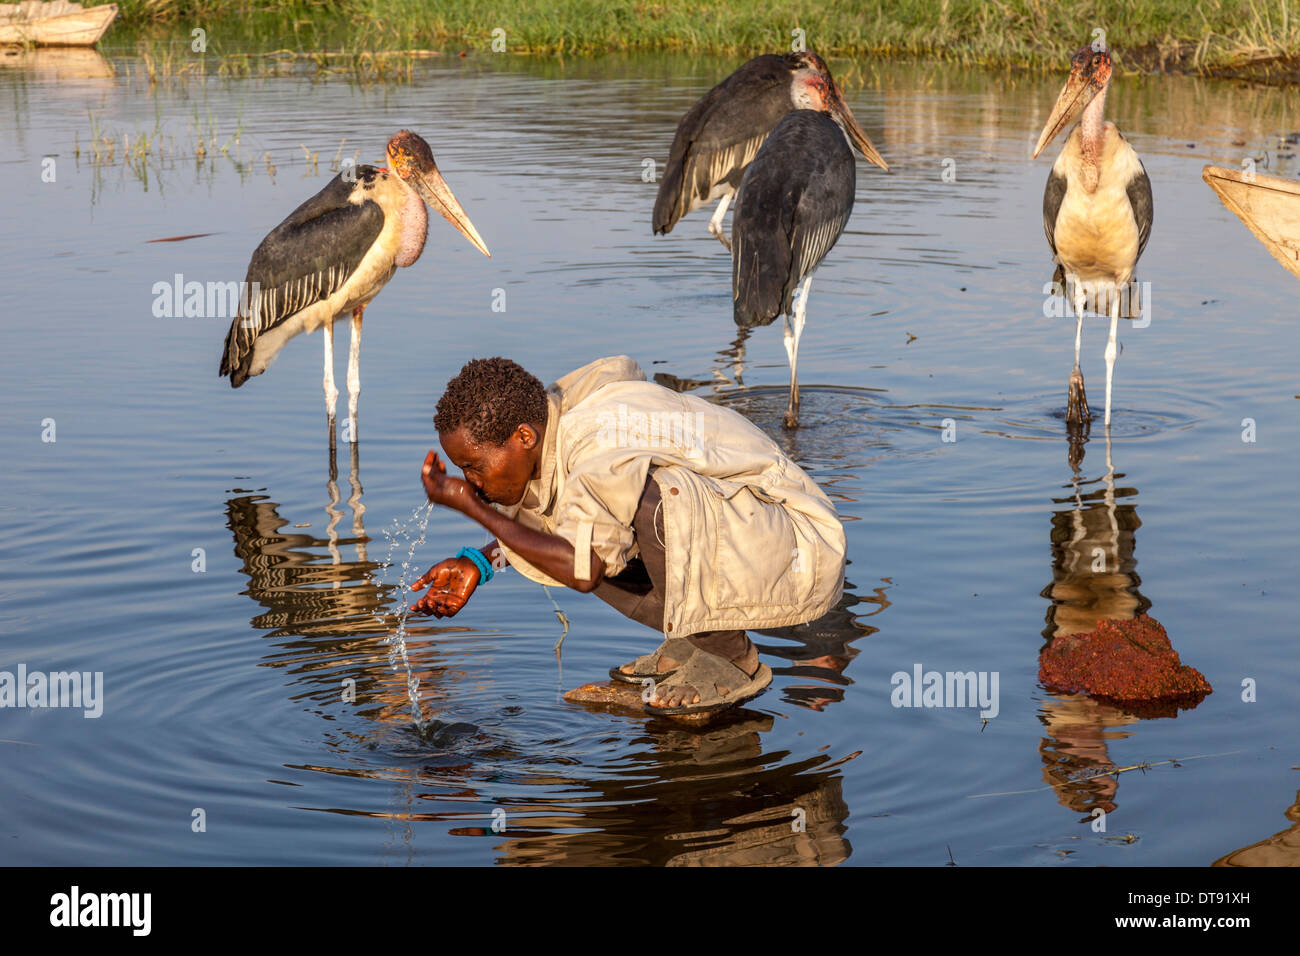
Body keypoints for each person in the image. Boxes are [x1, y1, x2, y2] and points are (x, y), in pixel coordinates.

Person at [412, 354, 846, 716]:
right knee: (592, 525)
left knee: (646, 502)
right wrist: (480, 561)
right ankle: (697, 637)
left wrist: (471, 508)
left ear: (524, 436)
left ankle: (730, 655)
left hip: (799, 546)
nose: (470, 482)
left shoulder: (595, 440)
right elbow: (569, 530)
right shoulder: (552, 424)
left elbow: (582, 570)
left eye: (474, 467)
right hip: (751, 536)